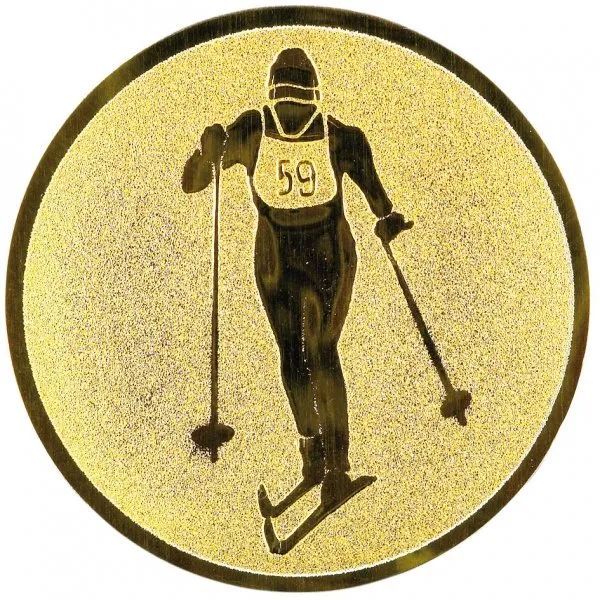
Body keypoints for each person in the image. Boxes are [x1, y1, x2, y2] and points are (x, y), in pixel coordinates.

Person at [182, 48, 411, 506]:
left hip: (319, 257)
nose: (293, 116)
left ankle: (332, 459)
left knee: (315, 351)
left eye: (296, 104)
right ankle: (316, 450)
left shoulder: (316, 134)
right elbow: (194, 182)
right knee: (299, 353)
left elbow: (377, 195)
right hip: (288, 260)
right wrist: (205, 151)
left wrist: (387, 218)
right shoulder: (272, 131)